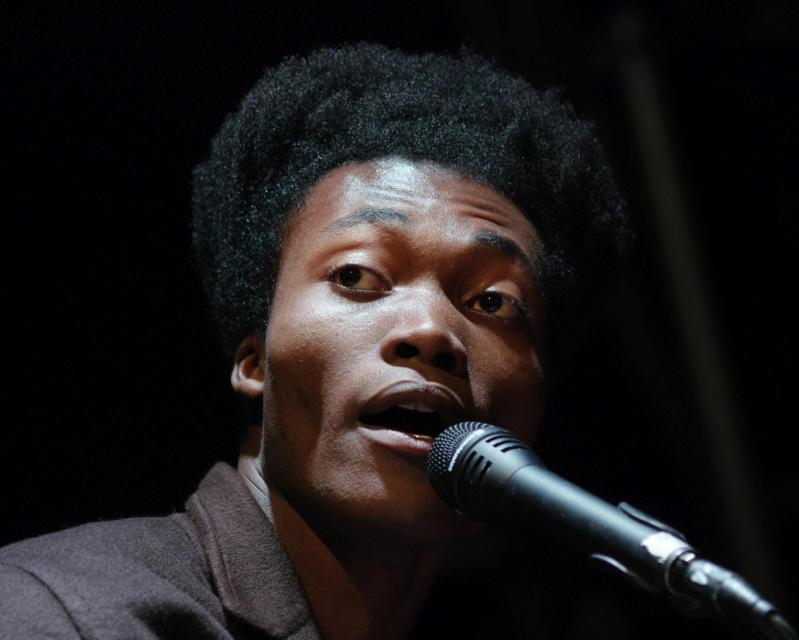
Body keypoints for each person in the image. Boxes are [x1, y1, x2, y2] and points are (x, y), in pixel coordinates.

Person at [0, 43, 628, 639]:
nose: (430, 331)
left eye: (493, 302)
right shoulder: (62, 614)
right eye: (355, 276)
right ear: (255, 362)